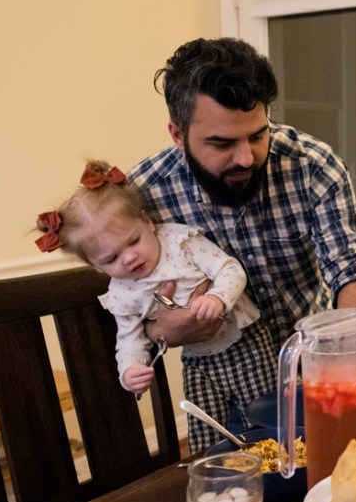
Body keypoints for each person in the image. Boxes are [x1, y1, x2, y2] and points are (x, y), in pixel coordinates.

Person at [127, 37, 356, 430]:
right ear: (177, 133)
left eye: (257, 135)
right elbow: (126, 299)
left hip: (317, 376)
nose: (245, 157)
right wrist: (159, 329)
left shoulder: (311, 166)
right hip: (221, 391)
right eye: (222, 143)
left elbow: (350, 264)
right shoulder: (145, 195)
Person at [34, 160, 263, 452]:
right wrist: (130, 369)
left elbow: (230, 270)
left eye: (133, 241)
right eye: (111, 258)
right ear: (96, 266)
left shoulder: (181, 243)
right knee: (205, 432)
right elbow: (129, 337)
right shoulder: (122, 292)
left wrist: (217, 297)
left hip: (246, 340)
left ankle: (270, 472)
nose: (129, 258)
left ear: (146, 221)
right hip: (197, 359)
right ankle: (215, 475)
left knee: (260, 418)